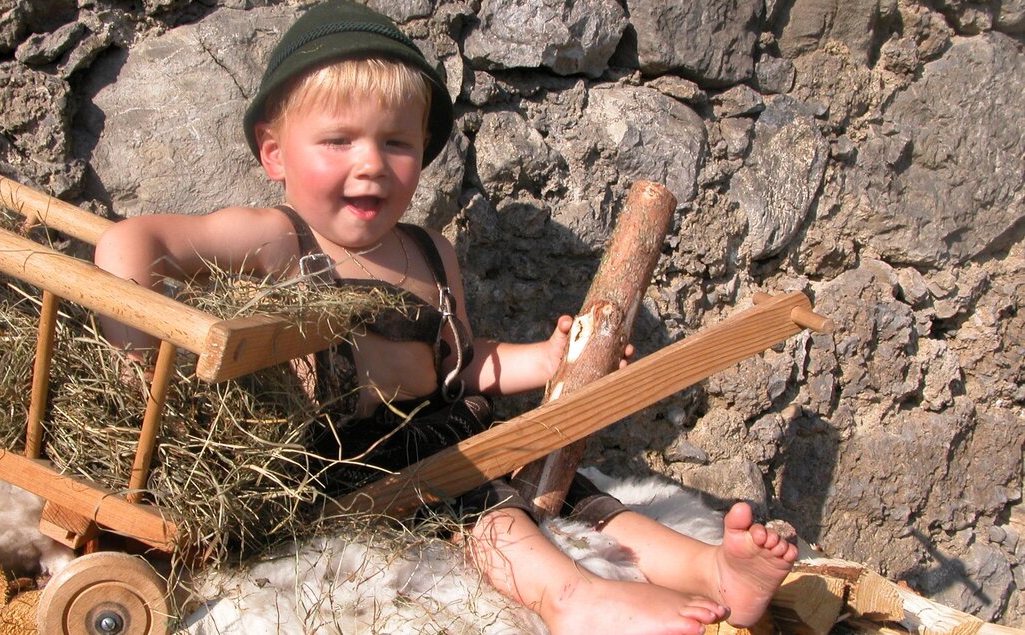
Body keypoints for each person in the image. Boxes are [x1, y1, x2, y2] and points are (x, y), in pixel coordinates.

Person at [94, 1, 798, 633]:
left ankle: (710, 569)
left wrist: (548, 360)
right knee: (485, 511)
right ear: (275, 154)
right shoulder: (278, 239)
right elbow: (131, 242)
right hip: (357, 461)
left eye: (395, 143)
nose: (371, 164)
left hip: (453, 429)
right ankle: (570, 597)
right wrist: (139, 362)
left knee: (571, 491)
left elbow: (464, 364)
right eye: (338, 141)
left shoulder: (431, 251)